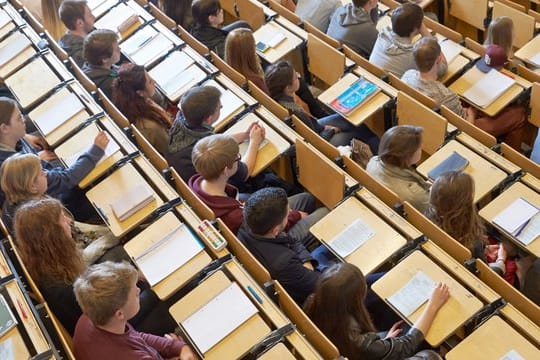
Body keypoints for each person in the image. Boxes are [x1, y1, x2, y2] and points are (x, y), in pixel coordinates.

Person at [14, 198, 177, 336]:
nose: (69, 221)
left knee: (133, 268)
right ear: (53, 234)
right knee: (174, 291)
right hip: (116, 330)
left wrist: (132, 277)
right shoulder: (62, 288)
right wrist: (153, 288)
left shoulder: (47, 259)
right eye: (63, 219)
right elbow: (115, 317)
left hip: (108, 314)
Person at [189, 134, 327, 243]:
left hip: (258, 217)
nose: (239, 160)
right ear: (226, 170)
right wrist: (294, 216)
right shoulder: (234, 217)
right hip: (270, 239)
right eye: (237, 158)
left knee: (306, 198)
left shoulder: (196, 183)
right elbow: (266, 231)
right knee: (325, 212)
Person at [304, 263, 449, 360]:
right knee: (429, 355)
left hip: (352, 352)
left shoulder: (312, 303)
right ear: (353, 300)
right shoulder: (356, 339)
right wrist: (433, 305)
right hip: (358, 352)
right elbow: (407, 345)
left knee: (400, 329)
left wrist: (382, 343)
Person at [402, 37, 525, 150]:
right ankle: (510, 158)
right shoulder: (446, 96)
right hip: (454, 135)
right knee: (519, 114)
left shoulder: (407, 76)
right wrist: (472, 112)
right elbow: (466, 128)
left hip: (424, 123)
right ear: (439, 59)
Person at [0, 97, 108, 219]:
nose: (24, 119)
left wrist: (24, 135)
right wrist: (97, 150)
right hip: (53, 208)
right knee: (103, 185)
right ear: (4, 128)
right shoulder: (15, 169)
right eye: (19, 118)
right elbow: (66, 179)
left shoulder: (12, 139)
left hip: (49, 182)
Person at [73, 261, 197, 360]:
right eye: (135, 293)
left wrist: (178, 347)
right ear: (119, 314)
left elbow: (135, 337)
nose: (138, 291)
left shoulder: (88, 319)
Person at [237, 187, 329, 304]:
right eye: (288, 213)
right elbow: (319, 283)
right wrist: (308, 264)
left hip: (288, 263)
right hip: (305, 287)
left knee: (307, 199)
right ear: (275, 230)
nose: (291, 211)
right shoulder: (284, 263)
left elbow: (291, 240)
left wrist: (305, 260)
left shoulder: (246, 225)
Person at [265, 60, 379, 151]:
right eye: (295, 77)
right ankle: (379, 149)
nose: (299, 77)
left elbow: (312, 125)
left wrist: (323, 127)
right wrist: (331, 131)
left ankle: (377, 145)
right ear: (287, 88)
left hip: (316, 128)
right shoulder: (294, 110)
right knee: (356, 133)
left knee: (348, 120)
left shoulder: (276, 100)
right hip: (320, 145)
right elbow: (315, 140)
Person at [224, 29, 328, 118]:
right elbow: (272, 99)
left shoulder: (230, 67)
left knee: (295, 79)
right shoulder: (256, 81)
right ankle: (320, 114)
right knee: (298, 81)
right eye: (253, 46)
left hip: (273, 92)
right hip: (277, 99)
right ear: (248, 52)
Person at [167, 85, 260, 183]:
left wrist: (245, 135)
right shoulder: (206, 146)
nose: (221, 107)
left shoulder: (180, 120)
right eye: (220, 108)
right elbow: (244, 173)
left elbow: (217, 140)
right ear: (209, 118)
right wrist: (254, 142)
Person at [425, 171, 507, 275]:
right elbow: (485, 275)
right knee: (521, 265)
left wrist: (484, 249)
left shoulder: (428, 217)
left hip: (444, 264)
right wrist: (501, 260)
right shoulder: (472, 241)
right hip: (465, 272)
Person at [369, 2, 447, 78]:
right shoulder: (415, 54)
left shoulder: (382, 35)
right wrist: (425, 33)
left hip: (377, 80)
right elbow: (442, 68)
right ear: (417, 28)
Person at [366, 125, 430, 212]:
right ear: (407, 156)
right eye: (419, 147)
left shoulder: (373, 162)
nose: (422, 145)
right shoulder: (415, 194)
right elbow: (431, 212)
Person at [112, 64, 171, 154]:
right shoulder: (151, 127)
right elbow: (169, 149)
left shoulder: (126, 101)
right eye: (150, 82)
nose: (154, 81)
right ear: (140, 93)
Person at [224, 28, 268, 93]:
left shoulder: (226, 68)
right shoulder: (256, 81)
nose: (255, 46)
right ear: (248, 52)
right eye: (253, 44)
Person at [82, 29, 121, 98]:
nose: (120, 49)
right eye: (117, 49)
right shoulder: (112, 83)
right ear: (105, 59)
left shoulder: (88, 66)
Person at [58, 0, 95, 66]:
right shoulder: (86, 53)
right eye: (90, 15)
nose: (94, 17)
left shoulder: (63, 41)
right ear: (80, 23)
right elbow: (110, 75)